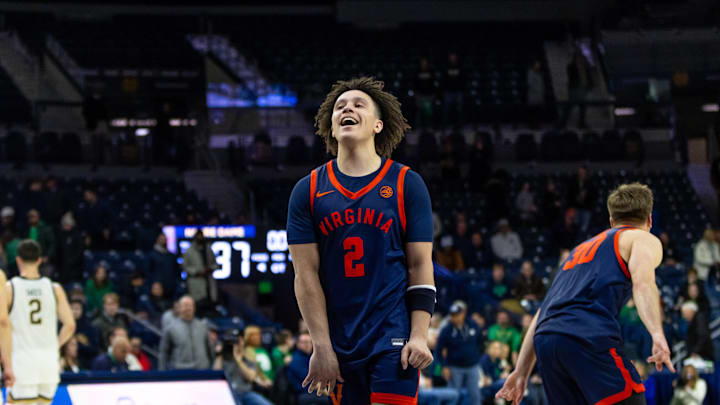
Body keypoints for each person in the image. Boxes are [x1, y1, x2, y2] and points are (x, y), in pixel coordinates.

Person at [287, 77, 435, 403]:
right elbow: (305, 275)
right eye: (340, 106)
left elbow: (420, 265)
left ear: (378, 125)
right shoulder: (307, 191)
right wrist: (321, 345)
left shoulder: (406, 183)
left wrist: (419, 336)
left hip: (392, 333)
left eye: (358, 104)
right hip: (340, 340)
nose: (347, 109)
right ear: (332, 125)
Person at [497, 183, 675, 405]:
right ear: (649, 220)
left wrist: (521, 371)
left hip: (547, 342)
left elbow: (544, 311)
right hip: (584, 334)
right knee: (630, 397)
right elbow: (643, 284)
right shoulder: (641, 238)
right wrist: (657, 335)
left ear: (611, 220)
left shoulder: (578, 251)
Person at [7, 239, 75, 403]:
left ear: (18, 260)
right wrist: (56, 345)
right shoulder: (54, 288)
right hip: (49, 363)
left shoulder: (10, 288)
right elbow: (70, 325)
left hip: (22, 362)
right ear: (39, 260)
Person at [435, 301, 483, 405]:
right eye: (452, 315)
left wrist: (477, 356)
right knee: (453, 395)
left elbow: (480, 341)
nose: (454, 318)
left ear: (463, 314)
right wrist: (444, 366)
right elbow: (438, 350)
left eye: (456, 315)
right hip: (454, 367)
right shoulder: (447, 330)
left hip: (472, 366)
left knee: (475, 395)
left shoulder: (473, 324)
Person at [214, 331, 272, 405]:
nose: (234, 345)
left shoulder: (248, 359)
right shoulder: (222, 359)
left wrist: (239, 360)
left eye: (237, 342)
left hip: (246, 393)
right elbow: (216, 375)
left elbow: (251, 377)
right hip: (227, 394)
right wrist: (220, 354)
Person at [159, 295, 212, 370]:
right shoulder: (170, 328)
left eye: (190, 305)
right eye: (185, 305)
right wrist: (162, 373)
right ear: (179, 308)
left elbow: (209, 349)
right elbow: (164, 353)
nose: (188, 308)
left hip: (202, 370)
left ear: (194, 308)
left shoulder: (203, 326)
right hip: (180, 372)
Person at [286, 332, 326, 405]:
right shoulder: (296, 359)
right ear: (298, 344)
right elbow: (312, 380)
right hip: (303, 394)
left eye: (310, 342)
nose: (308, 345)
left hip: (313, 392)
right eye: (304, 342)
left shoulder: (311, 357)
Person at [182, 230, 219, 306]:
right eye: (198, 236)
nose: (200, 238)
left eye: (201, 236)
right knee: (198, 302)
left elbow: (215, 263)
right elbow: (184, 267)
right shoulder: (189, 251)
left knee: (210, 302)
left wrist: (210, 268)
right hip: (196, 281)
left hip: (208, 280)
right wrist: (197, 271)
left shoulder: (208, 249)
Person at [56, 213, 84, 285]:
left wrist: (72, 261)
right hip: (62, 267)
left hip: (75, 267)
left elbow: (79, 251)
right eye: (65, 224)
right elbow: (58, 251)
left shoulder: (77, 235)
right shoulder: (60, 235)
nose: (66, 226)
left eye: (68, 224)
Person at [148, 233, 179, 298]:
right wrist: (154, 283)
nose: (163, 241)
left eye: (165, 239)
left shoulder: (171, 255)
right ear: (157, 240)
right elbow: (148, 271)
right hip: (157, 288)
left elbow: (176, 271)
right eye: (161, 239)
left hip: (171, 288)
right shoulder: (151, 255)